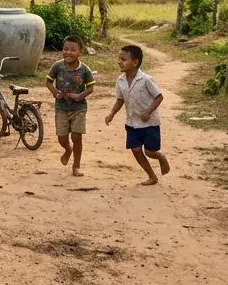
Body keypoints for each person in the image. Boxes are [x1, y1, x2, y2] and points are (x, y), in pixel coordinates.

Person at [104, 44, 171, 186]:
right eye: (119, 59)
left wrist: (148, 111)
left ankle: (160, 157)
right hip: (132, 123)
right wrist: (111, 114)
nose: (119, 62)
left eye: (123, 59)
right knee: (135, 150)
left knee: (150, 152)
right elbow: (120, 100)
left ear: (135, 62)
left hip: (149, 123)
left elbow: (159, 97)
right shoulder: (120, 80)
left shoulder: (146, 79)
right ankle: (152, 176)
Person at [47, 35, 95, 177]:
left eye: (73, 50)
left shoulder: (85, 70)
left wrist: (80, 96)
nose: (68, 52)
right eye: (65, 49)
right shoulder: (57, 66)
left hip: (79, 108)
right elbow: (48, 82)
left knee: (76, 137)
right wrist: (55, 93)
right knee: (62, 138)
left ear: (80, 52)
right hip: (61, 108)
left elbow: (91, 87)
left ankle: (76, 166)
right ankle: (68, 149)